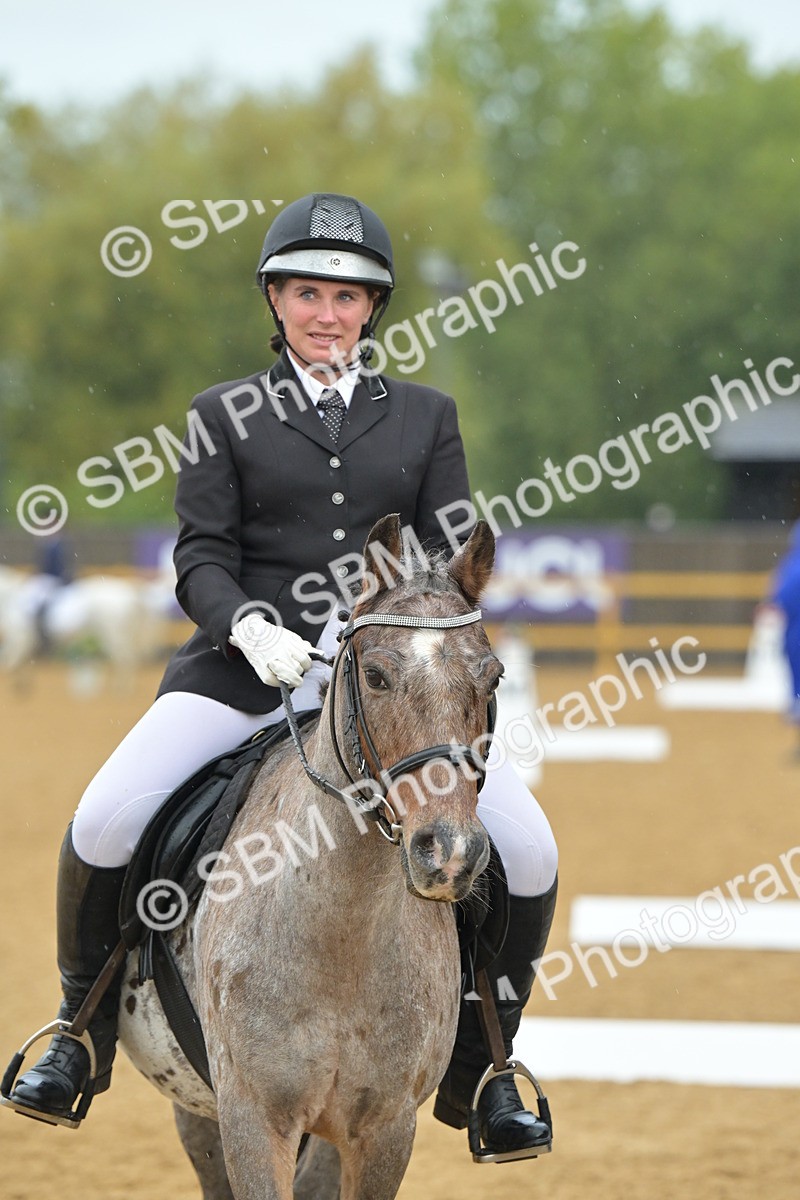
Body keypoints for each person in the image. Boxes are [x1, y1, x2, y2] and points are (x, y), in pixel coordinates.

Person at [7, 193, 559, 1157]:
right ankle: (77, 1032)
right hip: (244, 674)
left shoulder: (426, 417)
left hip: (389, 692)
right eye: (308, 293)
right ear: (276, 300)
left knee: (532, 848)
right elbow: (199, 556)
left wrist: (400, 635)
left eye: (347, 298)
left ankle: (486, 1065)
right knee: (104, 819)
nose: (327, 314)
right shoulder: (222, 414)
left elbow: (442, 558)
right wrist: (248, 624)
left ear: (374, 309)